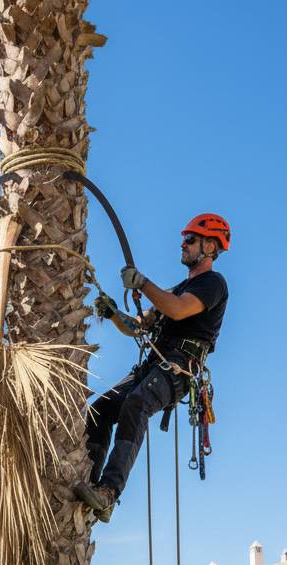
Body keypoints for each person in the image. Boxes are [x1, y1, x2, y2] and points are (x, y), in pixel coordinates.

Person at [74, 213, 231, 522]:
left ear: (210, 247)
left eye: (190, 240)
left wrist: (143, 283)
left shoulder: (212, 284)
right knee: (100, 409)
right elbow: (138, 326)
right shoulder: (178, 287)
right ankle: (89, 482)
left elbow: (178, 309)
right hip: (152, 367)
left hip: (177, 369)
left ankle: (109, 492)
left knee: (136, 403)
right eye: (184, 239)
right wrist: (113, 312)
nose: (183, 245)